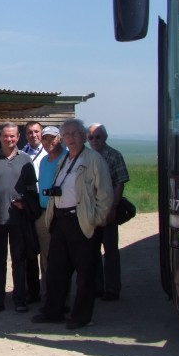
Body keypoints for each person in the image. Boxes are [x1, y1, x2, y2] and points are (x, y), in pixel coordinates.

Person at [33, 119, 113, 330]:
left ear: (83, 135)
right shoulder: (65, 159)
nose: (71, 137)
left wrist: (97, 220)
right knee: (57, 270)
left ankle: (81, 316)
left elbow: (105, 193)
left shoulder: (93, 159)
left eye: (75, 133)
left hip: (82, 220)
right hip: (61, 220)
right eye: (67, 134)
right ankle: (54, 311)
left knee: (85, 272)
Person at [0, 122, 40, 313]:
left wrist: (26, 203)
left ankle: (19, 299)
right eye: (6, 136)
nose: (9, 139)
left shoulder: (26, 159)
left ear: (18, 137)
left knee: (19, 260)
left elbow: (32, 190)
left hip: (19, 219)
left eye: (13, 136)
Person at [87, 123, 129, 301]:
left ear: (105, 137)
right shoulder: (85, 156)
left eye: (98, 137)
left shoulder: (114, 156)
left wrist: (113, 207)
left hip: (108, 209)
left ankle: (112, 289)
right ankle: (97, 287)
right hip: (90, 209)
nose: (94, 140)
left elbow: (120, 182)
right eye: (91, 137)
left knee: (110, 250)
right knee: (92, 250)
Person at [33, 126, 64, 296]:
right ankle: (47, 293)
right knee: (45, 256)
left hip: (60, 213)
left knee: (60, 255)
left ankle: (61, 295)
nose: (49, 142)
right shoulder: (44, 161)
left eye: (52, 138)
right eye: (45, 139)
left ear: (59, 139)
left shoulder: (66, 158)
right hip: (43, 212)